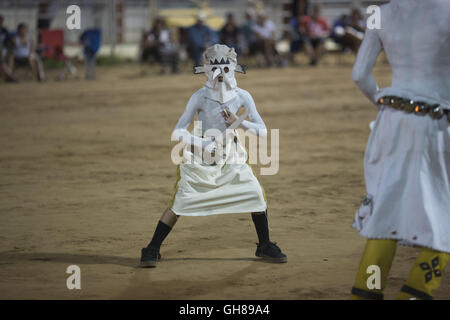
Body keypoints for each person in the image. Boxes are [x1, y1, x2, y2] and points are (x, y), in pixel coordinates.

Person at [140, 44, 287, 268]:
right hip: (200, 157)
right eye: (216, 69)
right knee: (182, 199)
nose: (220, 76)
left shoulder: (242, 96)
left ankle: (264, 244)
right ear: (207, 69)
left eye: (225, 69)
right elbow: (177, 132)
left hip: (231, 154)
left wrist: (238, 122)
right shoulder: (199, 97)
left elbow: (263, 131)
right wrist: (202, 143)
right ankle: (152, 247)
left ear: (233, 68)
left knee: (255, 193)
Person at [350, 0, 450, 300]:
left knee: (386, 212)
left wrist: (387, 103)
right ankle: (415, 294)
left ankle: (365, 292)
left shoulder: (382, 13)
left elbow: (359, 76)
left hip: (391, 120)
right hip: (438, 122)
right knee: (444, 214)